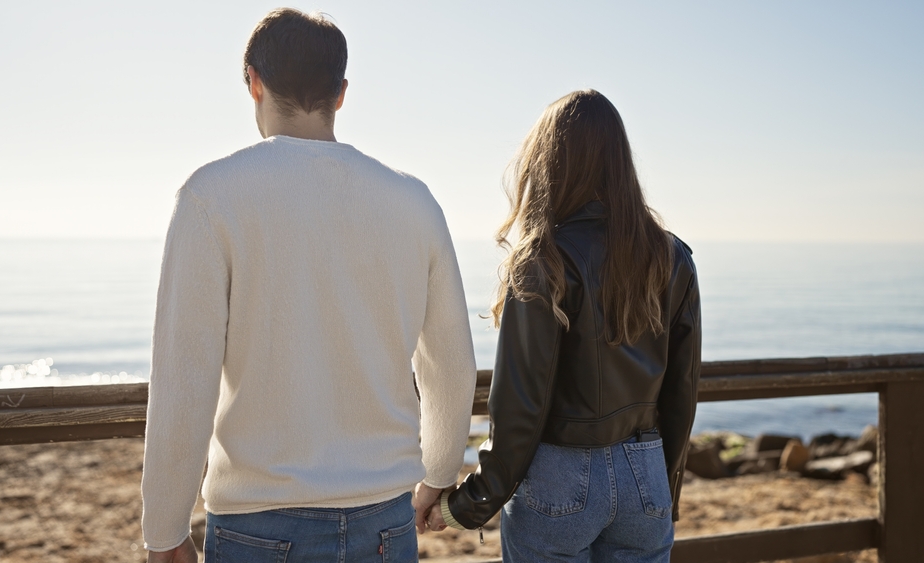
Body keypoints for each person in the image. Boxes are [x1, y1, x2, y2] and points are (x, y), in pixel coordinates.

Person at [140, 8, 476, 563]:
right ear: (341, 93)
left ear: (253, 82)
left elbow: (184, 377)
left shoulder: (211, 196)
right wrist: (439, 473)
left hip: (258, 523)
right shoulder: (414, 202)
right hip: (385, 520)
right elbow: (450, 362)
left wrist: (165, 527)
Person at [424, 90, 701, 563]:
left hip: (560, 478)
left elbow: (519, 410)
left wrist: (466, 506)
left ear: (548, 163)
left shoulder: (541, 261)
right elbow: (681, 393)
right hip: (646, 471)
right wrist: (662, 485)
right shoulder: (672, 257)